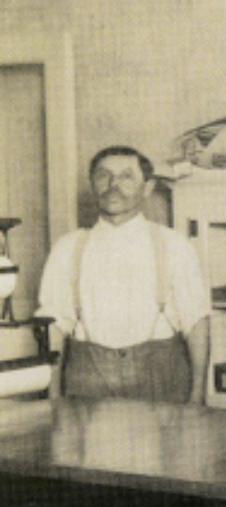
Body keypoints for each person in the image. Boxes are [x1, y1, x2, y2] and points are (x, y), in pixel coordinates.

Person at [37, 146, 210, 403]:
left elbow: (196, 324)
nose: (113, 185)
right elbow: (52, 329)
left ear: (147, 187)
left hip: (160, 381)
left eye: (126, 177)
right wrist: (51, 397)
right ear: (92, 184)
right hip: (88, 381)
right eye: (103, 176)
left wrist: (197, 396)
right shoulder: (68, 247)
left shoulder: (172, 244)